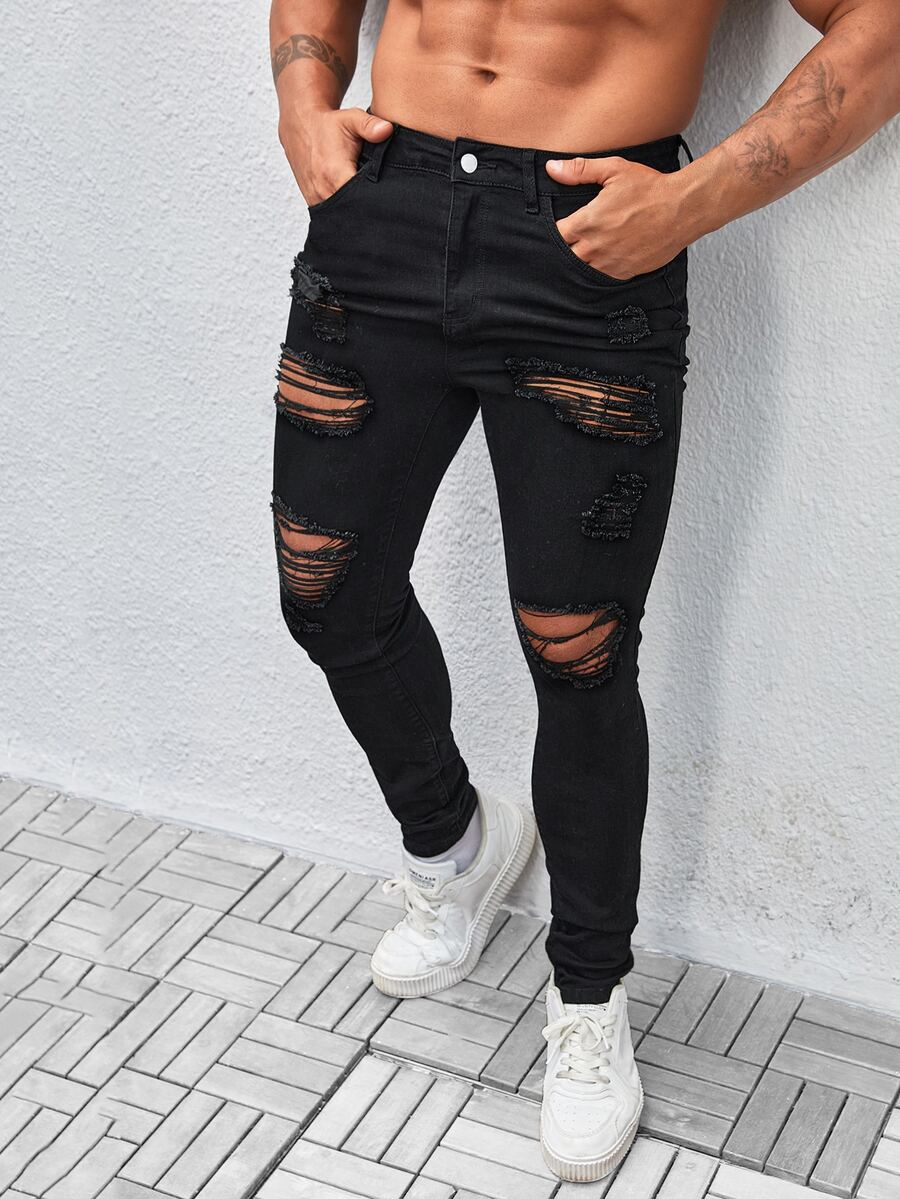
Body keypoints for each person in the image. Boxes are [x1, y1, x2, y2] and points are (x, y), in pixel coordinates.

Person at [267, 0, 899, 1182]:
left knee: (578, 647)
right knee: (326, 586)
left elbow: (883, 26)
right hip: (383, 212)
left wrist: (693, 199)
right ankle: (455, 843)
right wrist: (304, 103)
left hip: (590, 247)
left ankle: (589, 992)